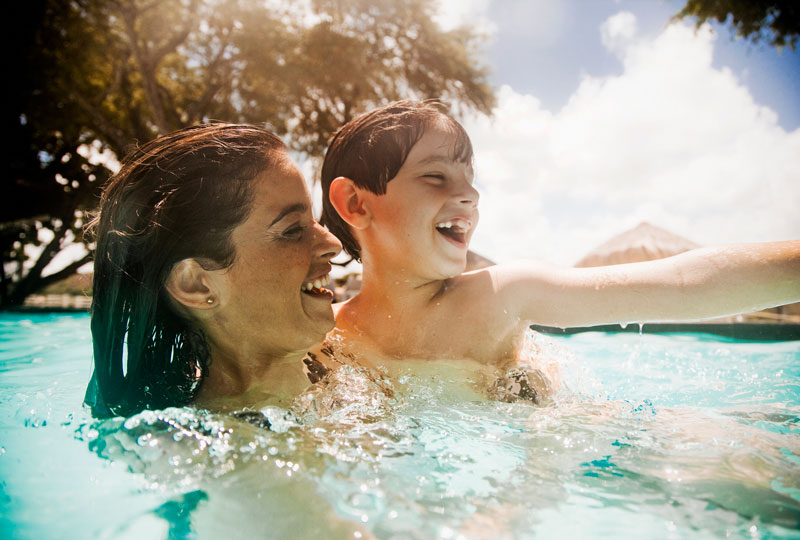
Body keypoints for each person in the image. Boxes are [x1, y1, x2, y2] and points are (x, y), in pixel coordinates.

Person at [317, 100, 800, 401]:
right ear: (356, 203)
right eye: (435, 175)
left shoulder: (503, 295)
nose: (470, 195)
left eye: (470, 178)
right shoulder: (321, 336)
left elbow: (679, 284)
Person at [85, 123, 342, 418]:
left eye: (314, 220)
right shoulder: (199, 443)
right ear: (196, 284)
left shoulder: (345, 364)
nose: (333, 243)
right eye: (292, 230)